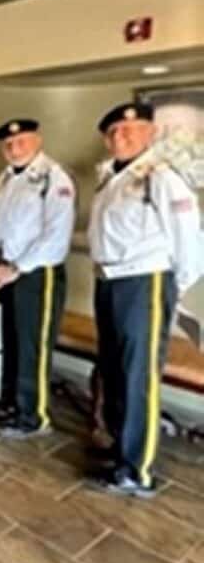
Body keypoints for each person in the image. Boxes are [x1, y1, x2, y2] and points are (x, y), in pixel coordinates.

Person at [88, 103, 201, 498]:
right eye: (115, 131)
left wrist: (172, 285)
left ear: (150, 133)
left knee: (138, 376)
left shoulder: (162, 177)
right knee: (116, 371)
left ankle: (137, 469)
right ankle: (121, 451)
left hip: (145, 282)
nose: (122, 136)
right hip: (111, 281)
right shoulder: (111, 177)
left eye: (131, 129)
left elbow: (190, 239)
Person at [0, 119, 75, 438]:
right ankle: (11, 401)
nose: (13, 148)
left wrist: (17, 267)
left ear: (37, 140)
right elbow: (0, 225)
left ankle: (32, 415)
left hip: (37, 272)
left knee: (31, 344)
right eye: (8, 144)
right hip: (7, 269)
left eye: (21, 141)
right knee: (10, 338)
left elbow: (56, 234)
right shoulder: (7, 177)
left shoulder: (53, 177)